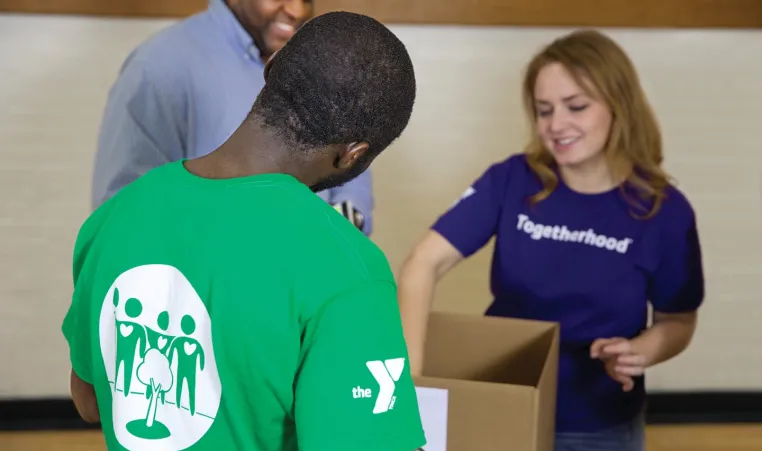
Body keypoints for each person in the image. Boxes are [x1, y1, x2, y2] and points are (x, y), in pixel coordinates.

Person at [63, 11, 426, 451]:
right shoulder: (349, 271)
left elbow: (89, 399)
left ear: (271, 68)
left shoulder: (116, 216)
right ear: (353, 154)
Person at [397, 29, 704, 451]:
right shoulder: (511, 180)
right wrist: (410, 381)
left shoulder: (665, 212)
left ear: (620, 106)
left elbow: (678, 321)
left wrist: (643, 350)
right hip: (504, 405)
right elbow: (422, 264)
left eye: (576, 106)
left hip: (598, 425)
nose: (556, 126)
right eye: (544, 111)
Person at [91, 0, 374, 235]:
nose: (297, 10)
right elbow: (122, 216)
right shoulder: (158, 68)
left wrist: (346, 223)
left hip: (313, 287)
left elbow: (350, 169)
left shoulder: (318, 59)